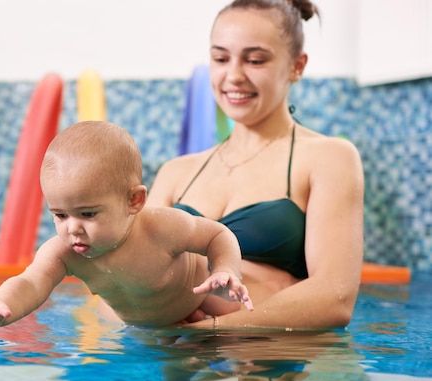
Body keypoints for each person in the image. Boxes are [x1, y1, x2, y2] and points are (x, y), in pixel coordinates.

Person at [147, 0, 364, 329]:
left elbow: (335, 299)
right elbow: (121, 282)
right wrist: (269, 285)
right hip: (175, 367)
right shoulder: (176, 173)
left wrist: (206, 332)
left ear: (297, 66)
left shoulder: (330, 158)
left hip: (274, 370)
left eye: (255, 60)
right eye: (221, 58)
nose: (233, 75)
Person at [0, 121, 253, 332]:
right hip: (146, 329)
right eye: (60, 215)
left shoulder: (161, 228)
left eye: (88, 214)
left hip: (201, 304)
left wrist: (226, 269)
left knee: (237, 341)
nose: (72, 229)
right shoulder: (64, 252)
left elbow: (217, 234)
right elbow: (31, 282)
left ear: (134, 201)